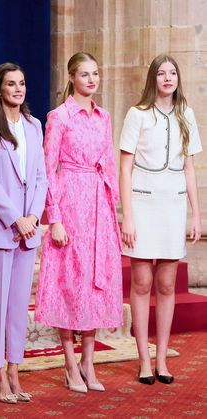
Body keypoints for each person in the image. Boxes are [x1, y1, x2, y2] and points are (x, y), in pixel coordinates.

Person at [35, 52, 123, 393]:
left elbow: (110, 163)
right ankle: (69, 363)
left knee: (94, 284)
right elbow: (47, 169)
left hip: (99, 207)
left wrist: (114, 210)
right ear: (72, 78)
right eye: (84, 74)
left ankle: (88, 361)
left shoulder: (103, 116)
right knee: (70, 283)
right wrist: (54, 218)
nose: (91, 79)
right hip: (71, 201)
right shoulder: (59, 117)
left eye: (95, 74)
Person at [119, 54, 202, 385]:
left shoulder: (187, 115)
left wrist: (196, 214)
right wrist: (127, 217)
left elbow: (189, 167)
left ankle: (162, 359)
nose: (168, 78)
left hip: (173, 207)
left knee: (167, 283)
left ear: (177, 79)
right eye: (162, 73)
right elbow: (125, 167)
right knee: (141, 282)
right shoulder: (137, 114)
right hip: (143, 205)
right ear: (153, 78)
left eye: (173, 73)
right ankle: (143, 359)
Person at [0, 63, 47, 403]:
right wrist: (16, 218)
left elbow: (42, 177)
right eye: (11, 84)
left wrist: (33, 215)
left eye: (22, 83)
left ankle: (15, 371)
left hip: (27, 231)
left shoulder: (34, 126)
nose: (18, 89)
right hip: (1, 230)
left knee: (18, 307)